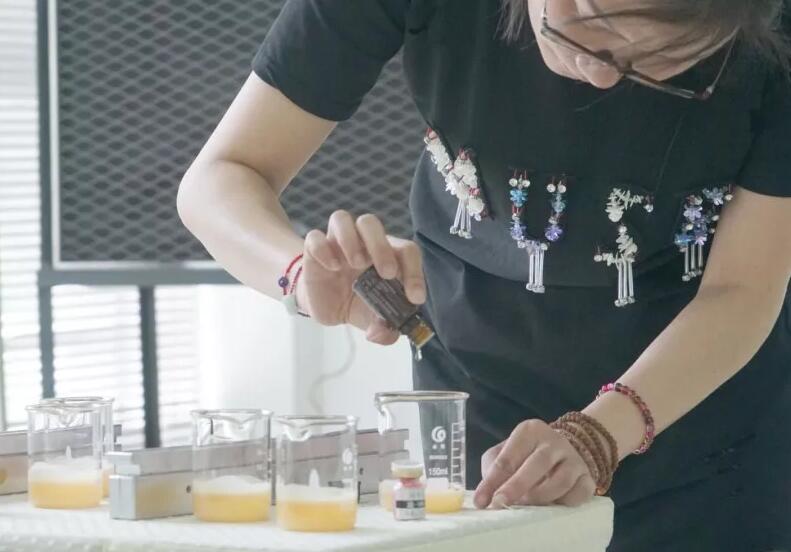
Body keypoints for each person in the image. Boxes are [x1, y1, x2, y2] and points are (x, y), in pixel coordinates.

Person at [177, 1, 791, 549]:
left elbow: (742, 289)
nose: (603, 76)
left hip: (700, 422)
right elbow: (221, 177)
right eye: (585, 26)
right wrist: (297, 273)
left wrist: (600, 434)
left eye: (660, 61)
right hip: (475, 415)